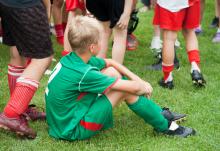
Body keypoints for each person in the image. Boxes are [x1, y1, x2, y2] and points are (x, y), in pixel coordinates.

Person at [45, 16, 195, 141]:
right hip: (71, 129)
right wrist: (142, 86)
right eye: (100, 39)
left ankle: (157, 113)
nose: (102, 42)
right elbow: (135, 88)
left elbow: (110, 62)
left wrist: (137, 79)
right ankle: (165, 127)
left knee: (111, 72)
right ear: (92, 47)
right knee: (125, 91)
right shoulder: (85, 73)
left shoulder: (73, 58)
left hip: (60, 123)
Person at [0, 0, 53, 139]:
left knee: (17, 52)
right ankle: (12, 114)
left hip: (7, 3)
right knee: (43, 58)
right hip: (27, 4)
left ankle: (20, 109)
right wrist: (47, 7)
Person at [153, 0, 206, 89]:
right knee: (189, 32)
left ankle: (167, 79)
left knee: (169, 37)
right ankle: (195, 68)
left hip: (170, 3)